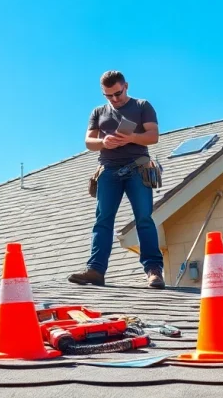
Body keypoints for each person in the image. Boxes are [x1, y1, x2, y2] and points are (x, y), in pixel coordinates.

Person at [68, 71, 165, 289]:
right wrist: (104, 142)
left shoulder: (142, 106)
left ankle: (153, 270)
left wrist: (131, 138)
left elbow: (153, 135)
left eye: (117, 94)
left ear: (126, 86)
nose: (114, 99)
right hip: (109, 170)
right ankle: (96, 270)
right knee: (103, 220)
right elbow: (89, 141)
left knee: (144, 218)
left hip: (137, 168)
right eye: (108, 95)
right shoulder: (98, 112)